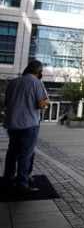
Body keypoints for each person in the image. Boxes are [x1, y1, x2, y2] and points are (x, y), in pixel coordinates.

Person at [3, 60, 50, 193]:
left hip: (12, 123)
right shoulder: (37, 83)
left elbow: (7, 102)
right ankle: (22, 183)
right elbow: (40, 105)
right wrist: (47, 100)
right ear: (39, 72)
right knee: (26, 153)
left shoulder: (13, 82)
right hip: (29, 124)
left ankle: (9, 178)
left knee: (12, 152)